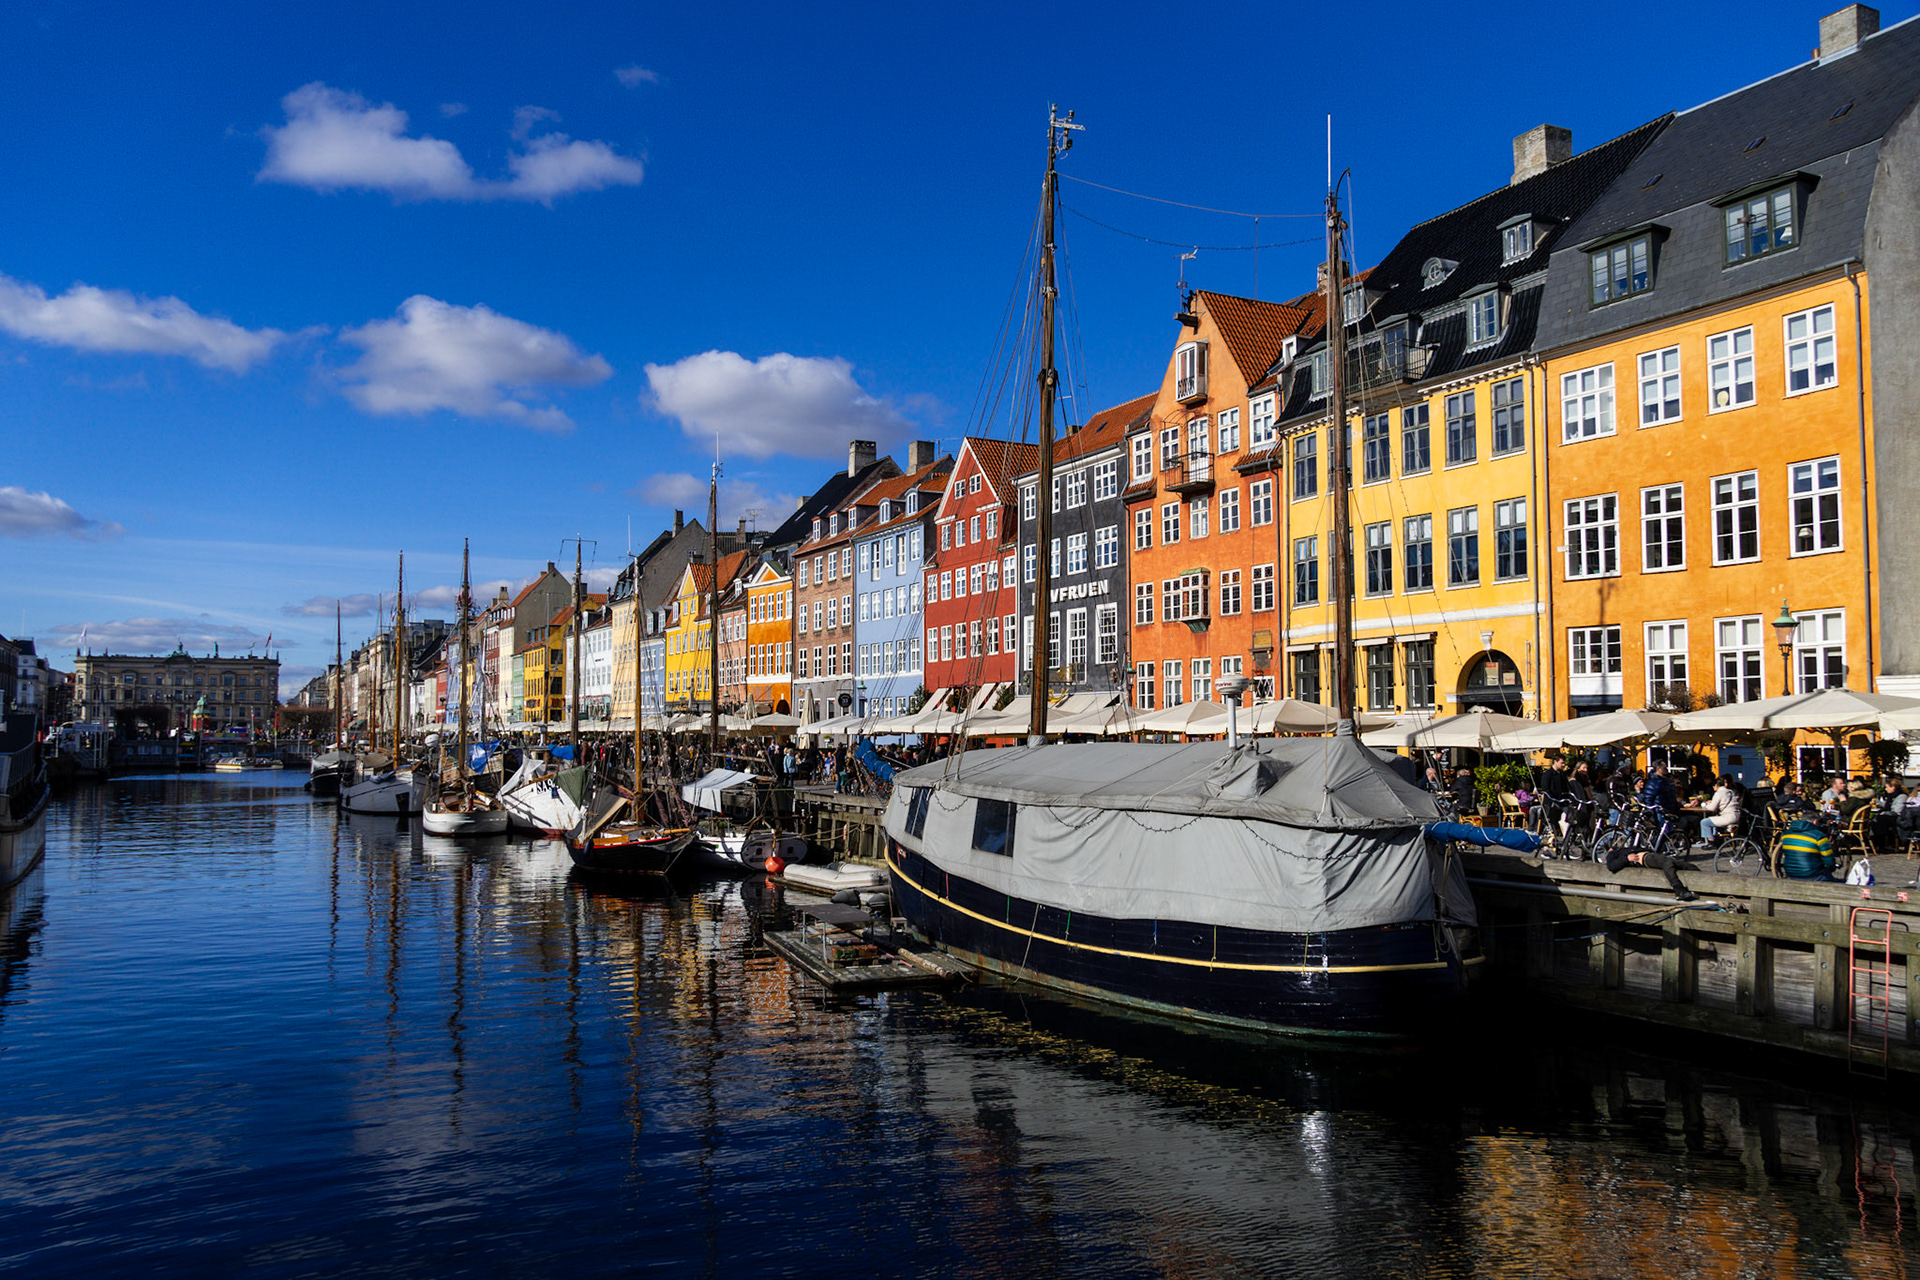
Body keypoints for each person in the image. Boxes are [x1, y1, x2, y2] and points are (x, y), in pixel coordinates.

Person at [1604, 839, 1696, 901]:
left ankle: (1700, 876)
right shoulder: (1613, 853)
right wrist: (1627, 858)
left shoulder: (1626, 849)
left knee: (1684, 865)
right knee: (1667, 862)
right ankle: (1679, 890)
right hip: (1645, 858)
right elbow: (1611, 866)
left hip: (1650, 855)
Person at [1779, 816, 1838, 881]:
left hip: (1790, 874)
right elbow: (1828, 859)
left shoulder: (1786, 835)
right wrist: (1832, 868)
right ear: (1815, 821)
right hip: (1812, 875)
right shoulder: (1819, 836)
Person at [1695, 775, 1743, 846]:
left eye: (1713, 786)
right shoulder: (1730, 791)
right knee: (1713, 820)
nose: (1713, 788)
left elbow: (1712, 808)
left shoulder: (1719, 793)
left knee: (1704, 822)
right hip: (1736, 815)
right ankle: (1715, 838)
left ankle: (1711, 842)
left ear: (1716, 785)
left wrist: (1705, 804)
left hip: (1728, 817)